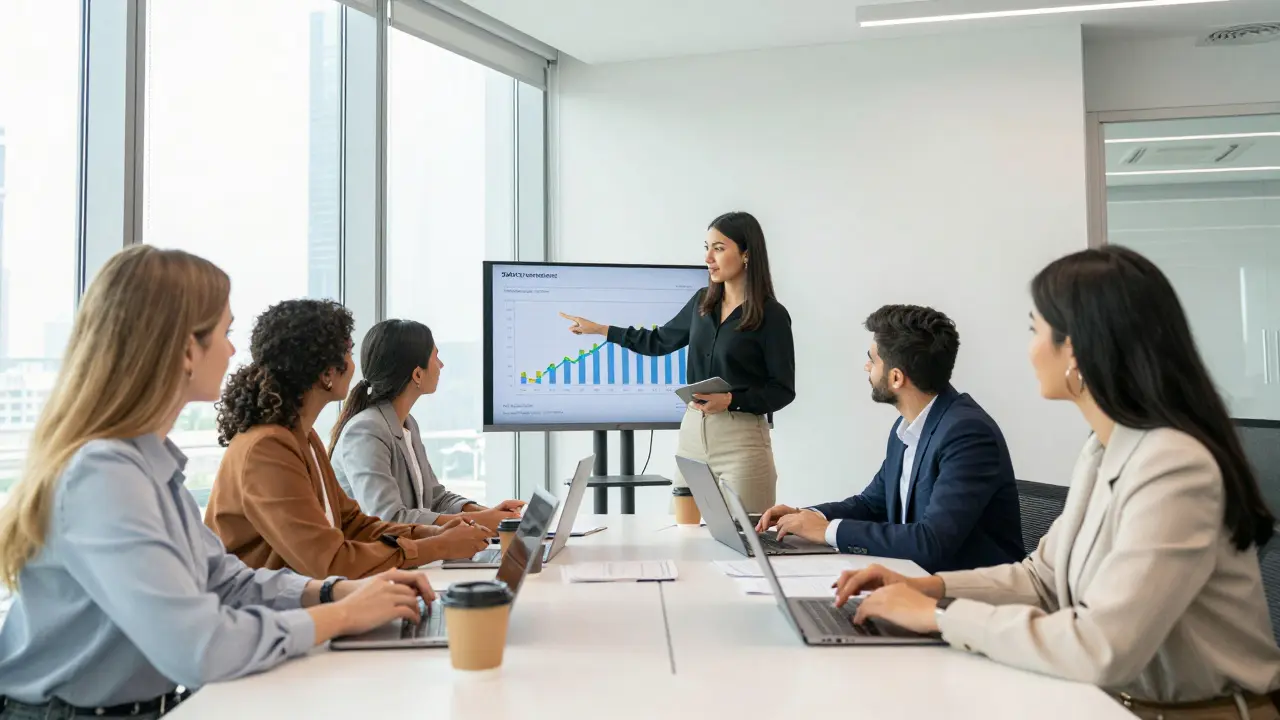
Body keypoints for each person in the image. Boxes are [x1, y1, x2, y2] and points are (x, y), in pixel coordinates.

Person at [835, 247, 1280, 719]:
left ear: (1077, 349)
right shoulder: (1103, 449)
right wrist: (929, 587)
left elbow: (1102, 646)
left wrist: (939, 617)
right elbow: (1040, 577)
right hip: (1111, 702)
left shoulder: (1175, 467)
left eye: (1035, 330)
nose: (1029, 349)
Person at [0, 247, 434, 719]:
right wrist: (343, 615)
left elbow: (222, 581)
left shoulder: (146, 464)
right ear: (188, 349)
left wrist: (331, 593)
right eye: (224, 333)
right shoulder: (104, 476)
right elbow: (200, 646)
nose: (233, 350)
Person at [205, 299, 491, 581]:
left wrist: (440, 534)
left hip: (294, 607)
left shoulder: (303, 436)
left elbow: (353, 524)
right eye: (349, 353)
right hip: (263, 619)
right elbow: (330, 561)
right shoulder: (267, 448)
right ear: (327, 373)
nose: (355, 367)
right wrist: (437, 546)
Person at [757, 305, 1023, 572]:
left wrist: (827, 531)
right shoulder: (907, 427)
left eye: (872, 360)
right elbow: (871, 504)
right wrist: (808, 517)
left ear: (896, 377)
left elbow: (932, 543)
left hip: (968, 598)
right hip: (915, 580)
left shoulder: (967, 433)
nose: (866, 367)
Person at [559, 211, 795, 513]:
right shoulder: (702, 303)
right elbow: (659, 342)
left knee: (745, 540)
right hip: (693, 435)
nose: (708, 257)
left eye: (719, 248)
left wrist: (731, 399)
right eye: (706, 248)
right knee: (683, 535)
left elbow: (782, 390)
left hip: (742, 442)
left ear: (747, 253)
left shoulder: (771, 316)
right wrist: (602, 330)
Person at [329, 319, 526, 527]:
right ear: (417, 374)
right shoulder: (366, 431)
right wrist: (481, 520)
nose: (441, 365)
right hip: (378, 556)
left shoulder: (407, 423)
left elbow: (435, 498)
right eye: (436, 357)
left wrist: (490, 513)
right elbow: (389, 518)